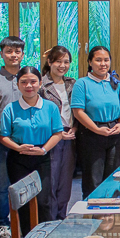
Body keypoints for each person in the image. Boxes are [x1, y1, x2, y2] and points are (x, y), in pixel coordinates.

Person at [0, 66, 63, 237]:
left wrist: (43, 150)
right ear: (18, 85)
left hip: (43, 156)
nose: (29, 85)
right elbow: (3, 136)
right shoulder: (10, 109)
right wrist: (18, 147)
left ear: (40, 83)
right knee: (23, 202)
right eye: (24, 82)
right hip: (18, 158)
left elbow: (58, 133)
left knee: (44, 201)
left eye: (33, 81)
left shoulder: (50, 107)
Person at [71, 46, 120, 197]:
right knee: (93, 180)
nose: (103, 64)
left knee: (115, 178)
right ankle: (93, 217)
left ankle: (112, 217)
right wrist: (96, 129)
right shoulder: (82, 84)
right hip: (91, 135)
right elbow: (78, 112)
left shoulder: (116, 83)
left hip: (115, 135)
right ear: (90, 62)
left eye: (106, 60)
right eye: (98, 60)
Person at [0, 35, 25, 238]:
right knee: (1, 184)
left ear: (22, 54)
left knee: (25, 184)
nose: (13, 55)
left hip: (26, 139)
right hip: (1, 139)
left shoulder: (28, 76)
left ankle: (25, 223)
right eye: (9, 51)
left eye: (17, 51)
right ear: (1, 54)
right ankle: (3, 226)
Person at [40, 46, 77, 220]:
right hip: (51, 136)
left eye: (66, 62)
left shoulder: (72, 83)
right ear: (49, 62)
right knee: (51, 180)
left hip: (71, 135)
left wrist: (75, 128)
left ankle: (62, 217)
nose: (62, 65)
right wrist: (59, 134)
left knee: (65, 181)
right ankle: (49, 220)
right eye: (58, 61)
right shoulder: (41, 85)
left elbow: (77, 110)